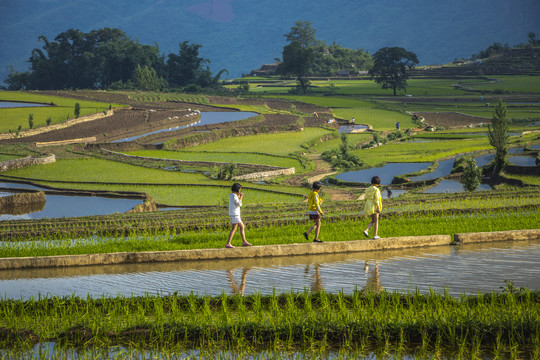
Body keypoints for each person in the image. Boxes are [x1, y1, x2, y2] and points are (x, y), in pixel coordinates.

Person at [226, 183, 251, 248]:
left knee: (241, 227)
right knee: (235, 228)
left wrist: (239, 197)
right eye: (240, 189)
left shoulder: (232, 195)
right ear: (237, 189)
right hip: (235, 215)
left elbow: (236, 203)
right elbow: (239, 204)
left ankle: (244, 241)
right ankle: (228, 243)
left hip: (235, 214)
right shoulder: (234, 196)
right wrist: (241, 197)